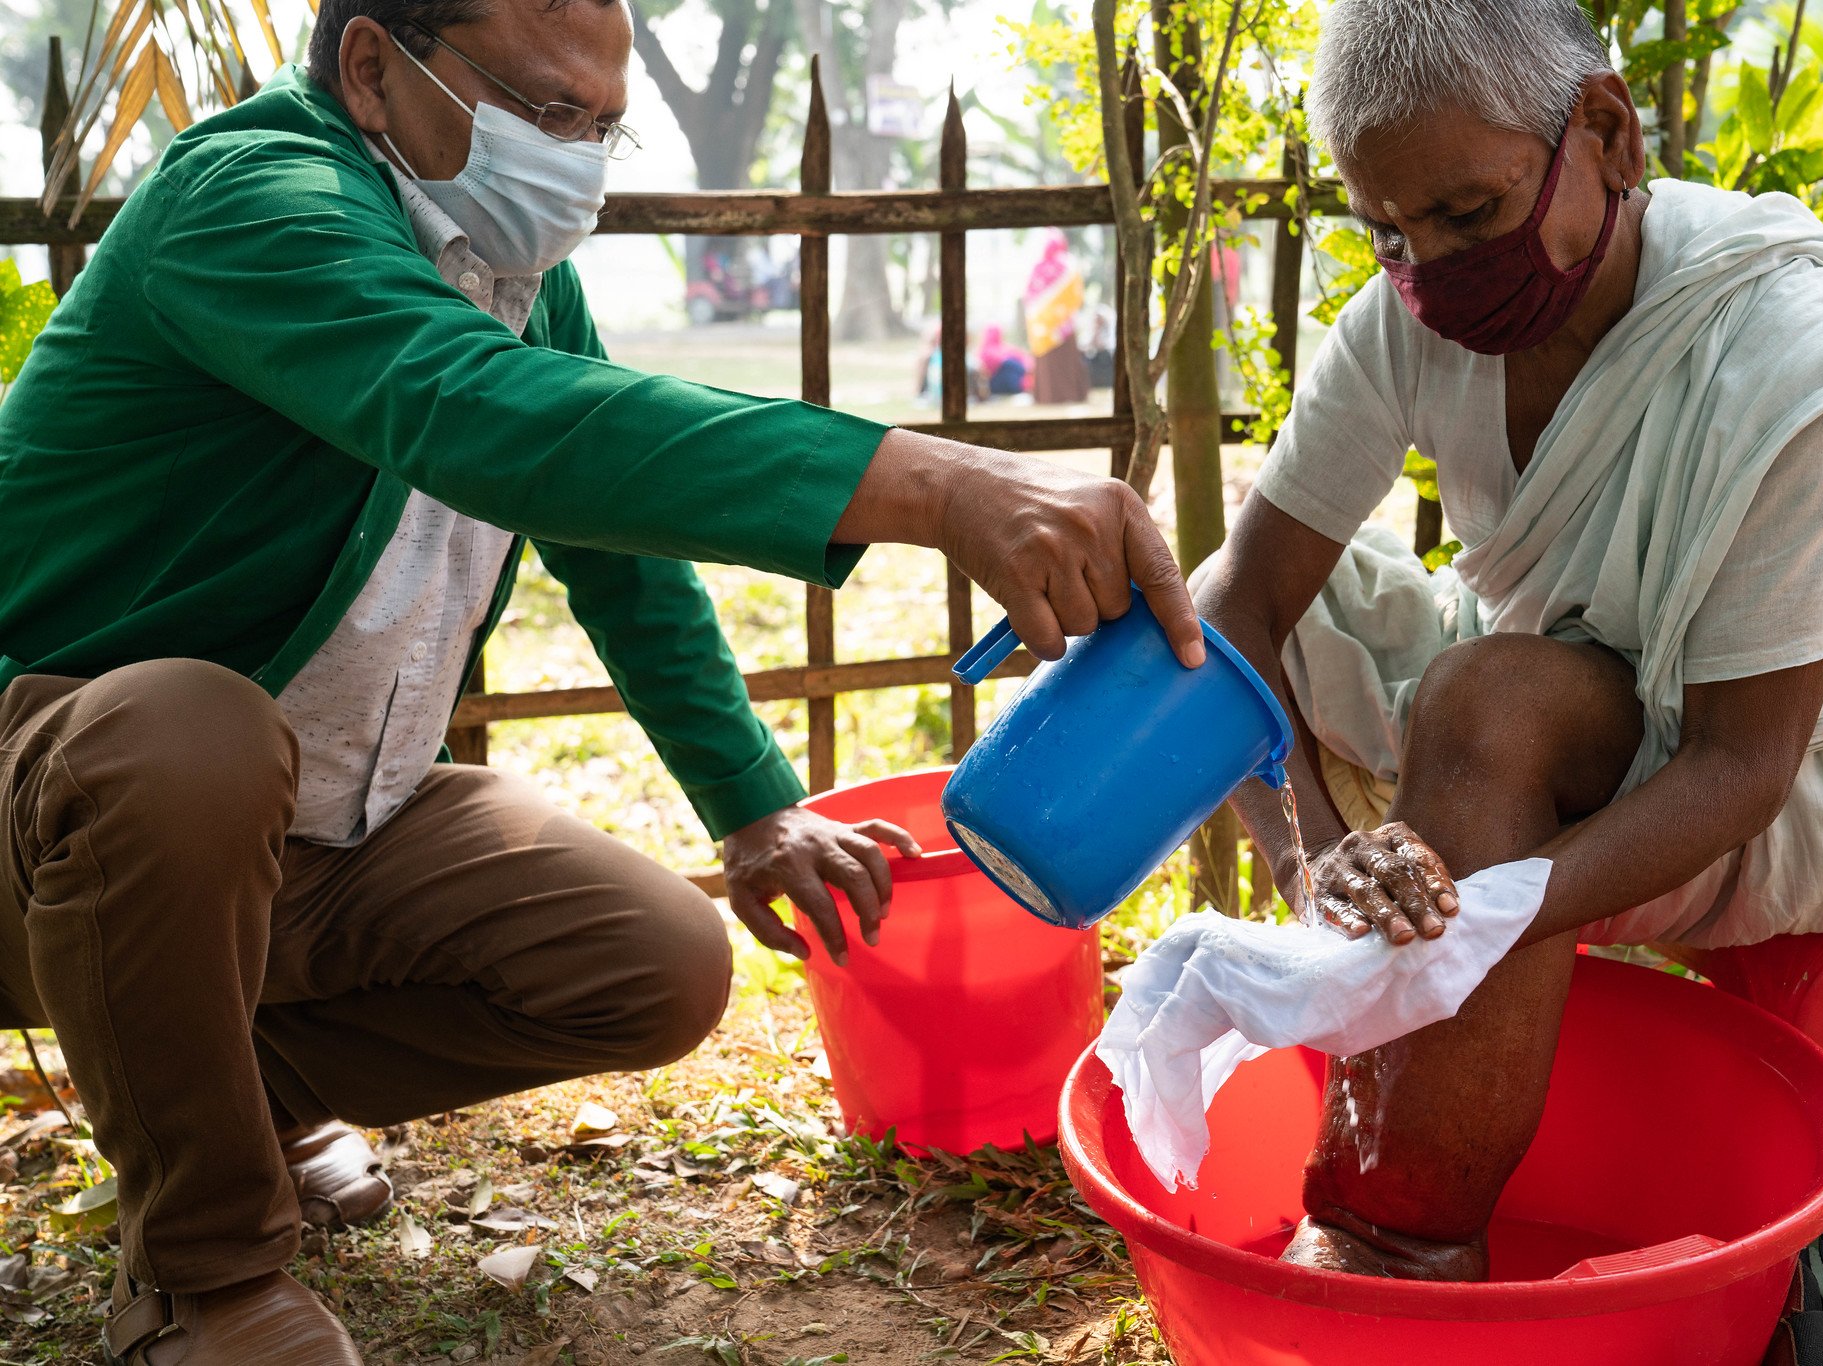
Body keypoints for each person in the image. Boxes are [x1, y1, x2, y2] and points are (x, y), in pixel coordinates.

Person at [0, 0, 1204, 1359]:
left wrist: (753, 809)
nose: (572, 156)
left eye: (598, 124)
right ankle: (204, 1276)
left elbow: (618, 563)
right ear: (372, 68)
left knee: (652, 963)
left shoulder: (515, 279)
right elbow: (477, 410)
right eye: (541, 110)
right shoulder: (253, 199)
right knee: (188, 733)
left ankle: (226, 1102)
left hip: (319, 829)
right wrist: (938, 484)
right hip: (51, 817)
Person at [1196, 0, 1823, 1283]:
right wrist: (1312, 859)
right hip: (1580, 675)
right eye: (1390, 232)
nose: (1429, 267)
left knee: (1487, 712)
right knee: (1225, 601)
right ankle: (1411, 1107)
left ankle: (1391, 1241)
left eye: (1468, 214)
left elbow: (1737, 764)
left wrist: (1487, 908)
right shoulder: (1407, 320)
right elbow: (1236, 606)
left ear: (1604, 131)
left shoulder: (1784, 356)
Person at [1024, 229, 1091, 404]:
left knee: (1047, 364)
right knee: (1066, 361)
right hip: (1064, 327)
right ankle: (1070, 394)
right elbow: (1077, 296)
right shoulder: (1068, 265)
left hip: (1042, 330)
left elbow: (1028, 299)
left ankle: (1046, 396)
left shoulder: (1037, 269)